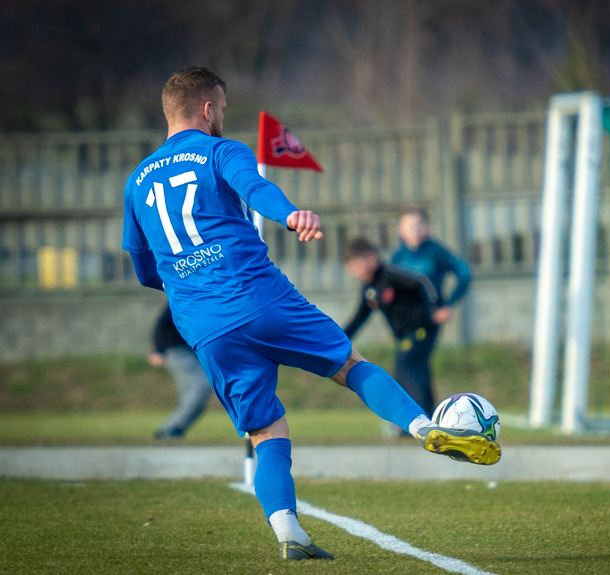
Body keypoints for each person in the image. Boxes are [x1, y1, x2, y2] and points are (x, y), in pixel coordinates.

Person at [122, 66, 500, 562]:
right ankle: (423, 427)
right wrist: (290, 214)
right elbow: (256, 189)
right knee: (350, 365)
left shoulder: (136, 180)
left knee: (264, 431)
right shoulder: (220, 150)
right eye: (223, 111)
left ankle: (289, 534)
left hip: (203, 324)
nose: (223, 120)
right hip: (258, 296)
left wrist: (183, 280)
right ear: (208, 109)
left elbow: (144, 267)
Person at [342, 237, 439, 419]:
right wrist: (338, 339)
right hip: (404, 336)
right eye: (351, 268)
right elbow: (359, 317)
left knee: (404, 368)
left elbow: (421, 282)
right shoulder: (369, 288)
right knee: (418, 371)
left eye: (356, 265)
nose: (354, 272)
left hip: (419, 330)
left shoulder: (391, 275)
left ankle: (414, 419)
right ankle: (430, 418)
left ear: (371, 258)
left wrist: (436, 306)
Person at [149, 304, 212, 439]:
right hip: (175, 351)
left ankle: (175, 430)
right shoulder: (180, 298)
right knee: (202, 385)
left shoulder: (196, 299)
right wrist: (157, 350)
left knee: (191, 395)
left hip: (187, 352)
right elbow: (161, 324)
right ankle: (171, 427)